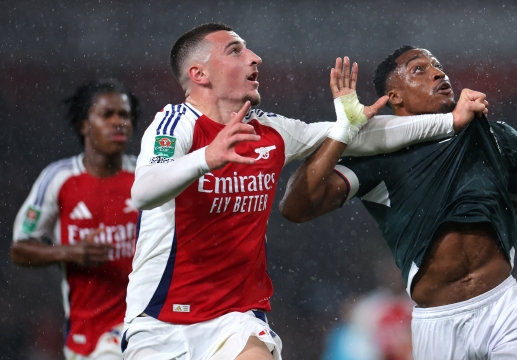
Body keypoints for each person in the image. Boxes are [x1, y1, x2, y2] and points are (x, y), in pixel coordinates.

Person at [123, 23, 487, 360]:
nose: (254, 58)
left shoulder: (270, 132)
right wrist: (206, 157)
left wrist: (449, 121)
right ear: (199, 74)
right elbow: (144, 191)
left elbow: (368, 137)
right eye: (235, 51)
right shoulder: (175, 124)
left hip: (234, 319)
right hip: (160, 318)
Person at [280, 46, 517, 359]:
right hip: (436, 327)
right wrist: (344, 130)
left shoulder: (497, 138)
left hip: (506, 308)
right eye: (419, 68)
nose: (437, 72)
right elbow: (296, 208)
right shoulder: (379, 156)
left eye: (438, 65)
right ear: (395, 97)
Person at [11, 79, 141, 360]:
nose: (119, 122)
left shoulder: (146, 177)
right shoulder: (58, 179)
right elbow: (19, 249)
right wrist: (70, 252)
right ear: (84, 125)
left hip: (143, 323)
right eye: (108, 115)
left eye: (125, 115)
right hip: (85, 333)